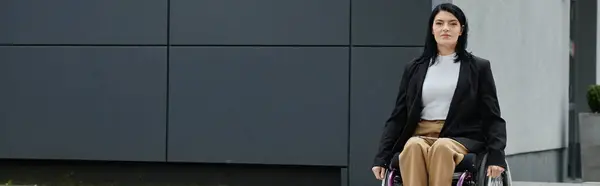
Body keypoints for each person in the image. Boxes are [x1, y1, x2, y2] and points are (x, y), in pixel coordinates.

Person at [371, 3, 507, 186]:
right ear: (432, 29)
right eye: (440, 23)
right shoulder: (414, 68)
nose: (445, 28)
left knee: (442, 147)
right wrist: (382, 157)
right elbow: (398, 116)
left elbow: (492, 116)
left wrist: (497, 156)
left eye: (452, 24)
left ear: (461, 30)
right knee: (412, 146)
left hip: (460, 137)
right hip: (421, 133)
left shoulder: (478, 68)